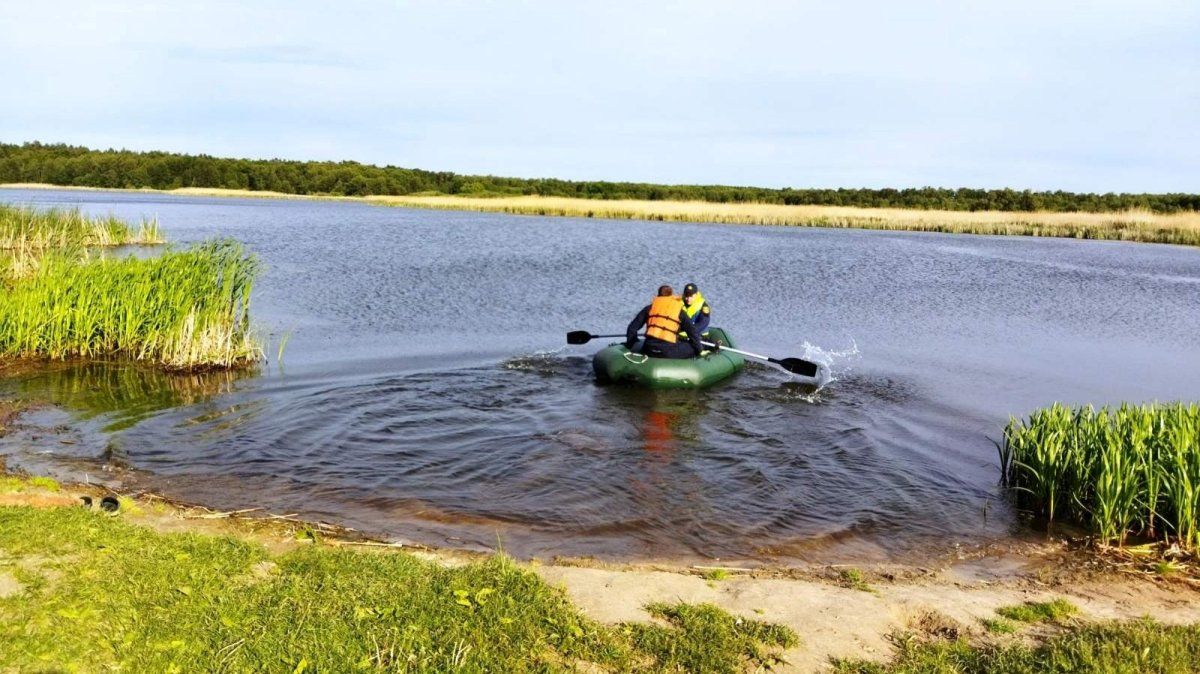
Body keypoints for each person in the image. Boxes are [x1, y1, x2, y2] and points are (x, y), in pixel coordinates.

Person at [625, 285, 706, 359]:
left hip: (649, 349)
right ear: (671, 296)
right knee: (692, 347)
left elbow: (632, 328)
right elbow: (692, 332)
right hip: (668, 351)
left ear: (658, 295)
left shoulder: (649, 308)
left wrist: (632, 344)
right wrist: (700, 349)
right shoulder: (678, 311)